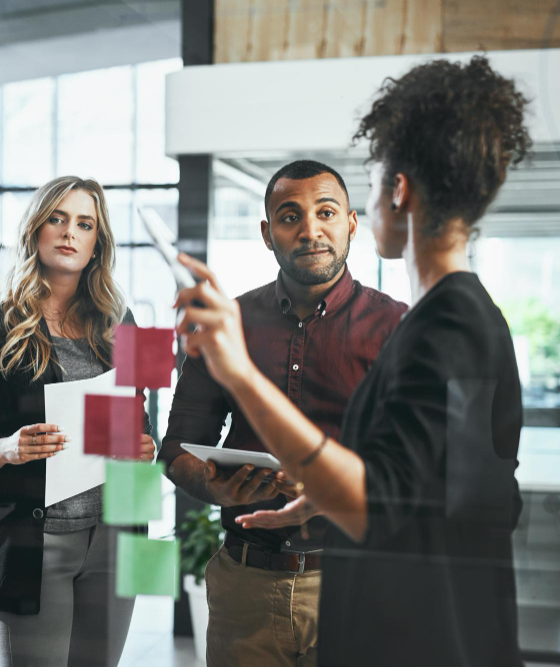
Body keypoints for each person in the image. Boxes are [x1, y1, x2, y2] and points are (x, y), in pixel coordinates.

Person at [172, 56, 530, 666]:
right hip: (438, 619)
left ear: (397, 192)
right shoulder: (460, 314)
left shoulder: (442, 325)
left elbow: (384, 505)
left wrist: (239, 375)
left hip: (432, 630)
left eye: (363, 185)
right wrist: (318, 498)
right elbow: (444, 496)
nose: (313, 228)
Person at [159, 160, 405, 666]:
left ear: (351, 224)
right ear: (268, 234)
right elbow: (176, 449)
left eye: (326, 212)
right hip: (246, 586)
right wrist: (213, 484)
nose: (310, 229)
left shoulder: (396, 327)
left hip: (355, 581)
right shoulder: (228, 324)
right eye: (290, 216)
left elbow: (411, 468)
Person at [0, 176, 155, 667]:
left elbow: (144, 427)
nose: (69, 232)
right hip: (31, 543)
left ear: (98, 242)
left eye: (84, 223)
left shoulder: (123, 322)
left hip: (117, 535)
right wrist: (6, 449)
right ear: (35, 228)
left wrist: (146, 449)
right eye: (57, 218)